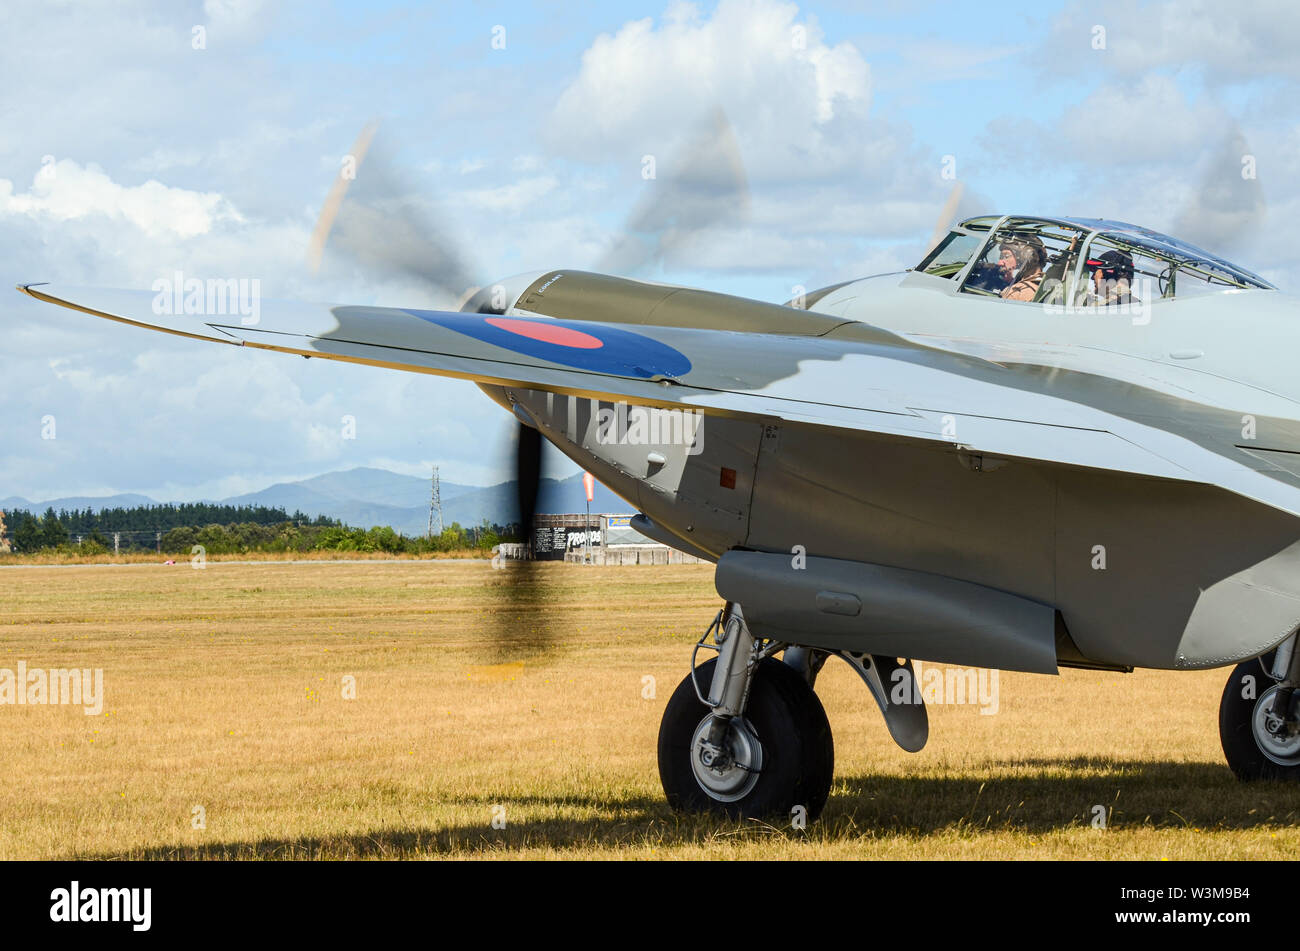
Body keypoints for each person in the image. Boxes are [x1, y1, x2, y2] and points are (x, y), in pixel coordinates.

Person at [997, 235, 1046, 301]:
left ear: (1029, 258)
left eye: (1006, 256)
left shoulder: (1017, 293)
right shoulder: (1045, 286)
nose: (999, 263)